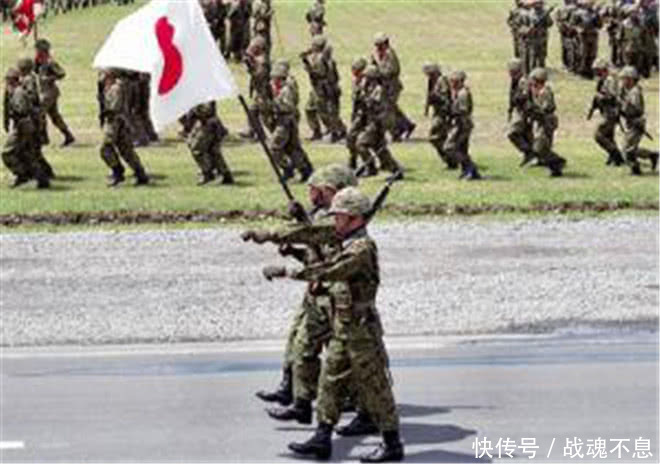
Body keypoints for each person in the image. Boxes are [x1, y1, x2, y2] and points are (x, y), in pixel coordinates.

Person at [263, 187, 404, 463]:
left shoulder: (361, 247)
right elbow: (333, 278)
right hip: (343, 326)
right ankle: (322, 438)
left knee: (375, 386)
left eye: (338, 217)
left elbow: (332, 270)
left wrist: (287, 272)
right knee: (330, 381)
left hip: (362, 331)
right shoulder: (346, 242)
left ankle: (392, 444)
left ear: (354, 218)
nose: (334, 221)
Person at [244, 164, 357, 423]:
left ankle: (340, 404)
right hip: (318, 290)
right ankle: (298, 397)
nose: (309, 192)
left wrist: (266, 234)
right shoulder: (323, 215)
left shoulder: (341, 220)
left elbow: (315, 235)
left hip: (333, 295)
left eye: (314, 189)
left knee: (332, 352)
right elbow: (314, 246)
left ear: (329, 191)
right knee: (300, 341)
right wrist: (295, 248)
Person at [99, 69, 149, 187]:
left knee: (105, 148)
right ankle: (140, 174)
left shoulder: (117, 88)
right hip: (120, 121)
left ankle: (118, 171)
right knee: (126, 149)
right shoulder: (112, 86)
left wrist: (105, 114)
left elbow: (115, 107)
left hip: (114, 122)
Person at [2, 68, 50, 189]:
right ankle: (40, 178)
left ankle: (23, 174)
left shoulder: (18, 93)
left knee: (7, 153)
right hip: (26, 126)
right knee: (27, 154)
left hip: (22, 126)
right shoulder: (18, 91)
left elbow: (22, 110)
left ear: (11, 81)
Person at [301, 35, 347, 142]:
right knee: (310, 109)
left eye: (314, 45)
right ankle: (316, 131)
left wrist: (307, 65)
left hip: (324, 88)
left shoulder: (323, 58)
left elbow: (320, 73)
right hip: (316, 88)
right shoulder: (316, 56)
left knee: (327, 112)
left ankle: (337, 131)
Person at [370, 33, 415, 142]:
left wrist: (377, 71)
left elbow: (392, 70)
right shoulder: (381, 54)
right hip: (385, 86)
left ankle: (396, 132)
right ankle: (406, 125)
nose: (377, 47)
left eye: (379, 45)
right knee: (391, 108)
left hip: (392, 86)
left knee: (387, 111)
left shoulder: (390, 55)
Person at [34, 38, 75, 147]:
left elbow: (61, 73)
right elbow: (35, 71)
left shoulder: (50, 62)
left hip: (49, 93)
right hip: (44, 91)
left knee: (39, 114)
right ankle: (68, 135)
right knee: (54, 116)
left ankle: (43, 138)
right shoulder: (40, 61)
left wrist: (49, 78)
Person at [617, 66, 658, 175]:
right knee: (631, 149)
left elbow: (635, 108)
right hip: (632, 123)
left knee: (626, 150)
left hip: (636, 123)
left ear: (630, 79)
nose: (623, 81)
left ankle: (636, 169)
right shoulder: (629, 91)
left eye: (624, 79)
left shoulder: (635, 92)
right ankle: (651, 155)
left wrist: (622, 104)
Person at [527, 67, 566, 177]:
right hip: (542, 121)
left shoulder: (545, 92)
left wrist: (534, 108)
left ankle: (558, 161)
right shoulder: (537, 91)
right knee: (544, 147)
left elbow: (546, 108)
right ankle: (555, 168)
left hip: (547, 121)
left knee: (539, 147)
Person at [445, 70, 481, 180]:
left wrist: (450, 111)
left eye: (454, 81)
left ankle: (470, 167)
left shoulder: (463, 94)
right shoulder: (457, 92)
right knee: (461, 148)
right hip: (460, 124)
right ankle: (468, 171)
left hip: (462, 125)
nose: (451, 83)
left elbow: (463, 110)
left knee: (450, 147)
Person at [186, 101, 233, 185]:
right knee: (212, 150)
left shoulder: (203, 93)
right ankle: (225, 174)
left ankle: (208, 173)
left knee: (197, 148)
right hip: (208, 122)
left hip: (208, 123)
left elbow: (205, 110)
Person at [590, 58, 625, 166]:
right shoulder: (604, 80)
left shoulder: (610, 80)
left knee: (598, 135)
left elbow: (612, 96)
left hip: (611, 111)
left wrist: (600, 97)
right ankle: (613, 157)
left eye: (598, 70)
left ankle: (616, 154)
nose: (596, 73)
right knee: (609, 136)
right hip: (606, 111)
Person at [422, 62, 455, 169]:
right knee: (439, 138)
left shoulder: (442, 81)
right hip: (438, 112)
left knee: (435, 137)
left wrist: (435, 97)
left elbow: (446, 98)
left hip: (443, 113)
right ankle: (450, 159)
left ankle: (452, 158)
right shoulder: (432, 81)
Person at [507, 58, 535, 166]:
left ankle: (529, 152)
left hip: (524, 111)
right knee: (525, 135)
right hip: (519, 110)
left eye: (513, 70)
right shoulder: (514, 81)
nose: (510, 73)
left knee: (513, 133)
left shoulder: (523, 81)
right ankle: (529, 155)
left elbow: (525, 97)